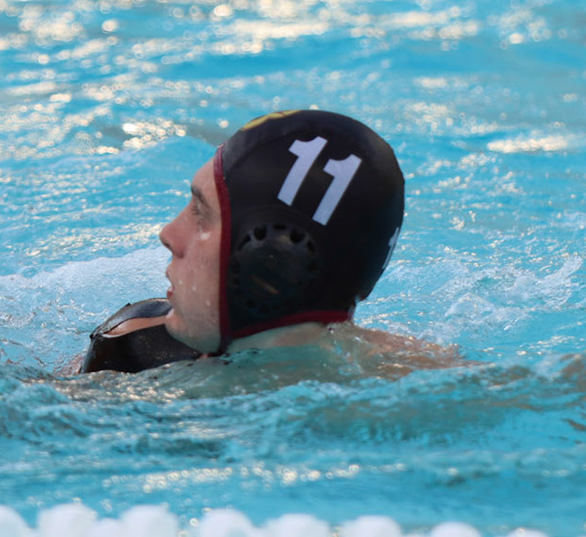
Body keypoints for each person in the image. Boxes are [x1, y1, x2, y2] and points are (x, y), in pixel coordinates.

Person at [82, 109, 443, 374]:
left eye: (202, 214)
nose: (169, 235)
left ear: (273, 255)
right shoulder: (131, 351)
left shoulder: (419, 386)